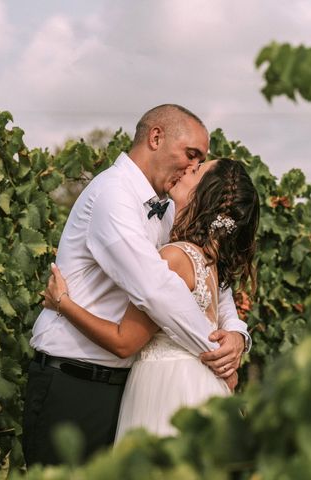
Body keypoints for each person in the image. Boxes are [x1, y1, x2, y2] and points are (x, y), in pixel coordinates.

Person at [22, 105, 252, 465]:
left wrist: (237, 334)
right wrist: (216, 358)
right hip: (73, 382)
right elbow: (156, 290)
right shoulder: (114, 195)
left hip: (127, 388)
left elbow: (213, 281)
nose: (192, 168)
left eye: (200, 163)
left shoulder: (172, 208)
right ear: (156, 137)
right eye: (191, 155)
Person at [43, 158, 259, 438]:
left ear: (207, 194)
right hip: (197, 383)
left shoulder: (175, 257)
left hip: (168, 387)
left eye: (196, 170)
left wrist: (62, 302)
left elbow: (124, 341)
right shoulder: (209, 261)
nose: (186, 168)